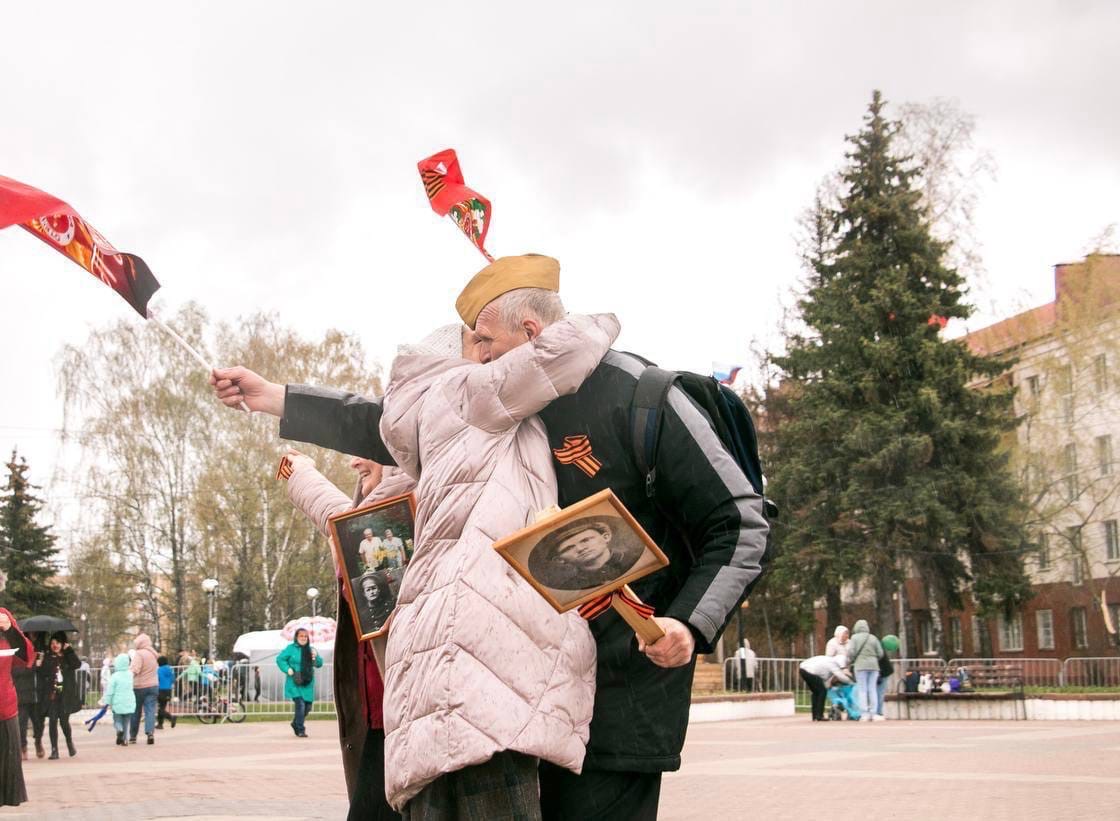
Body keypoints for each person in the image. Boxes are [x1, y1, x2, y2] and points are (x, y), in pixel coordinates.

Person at [208, 254, 770, 820]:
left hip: (620, 697)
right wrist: (277, 396)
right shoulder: (492, 403)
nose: (473, 357)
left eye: (484, 341)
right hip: (508, 699)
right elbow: (386, 421)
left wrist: (689, 623)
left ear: (530, 333)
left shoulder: (643, 398)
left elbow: (740, 521)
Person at [376, 315, 611, 816]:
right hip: (482, 663)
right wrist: (562, 316)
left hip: (435, 654)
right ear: (452, 357)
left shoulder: (428, 419)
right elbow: (571, 349)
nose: (486, 350)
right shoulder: (466, 391)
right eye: (475, 340)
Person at [285, 450, 414, 821]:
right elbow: (331, 513)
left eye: (365, 453)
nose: (353, 462)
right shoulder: (361, 528)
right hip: (377, 715)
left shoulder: (416, 517)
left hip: (406, 711)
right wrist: (296, 471)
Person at [529, 517, 643, 590]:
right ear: (559, 560)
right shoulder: (571, 587)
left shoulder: (636, 561)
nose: (580, 548)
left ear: (606, 537)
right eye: (569, 548)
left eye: (586, 540)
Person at [0, 609, 34, 806]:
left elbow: (26, 656)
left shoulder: (4, 618)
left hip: (4, 709)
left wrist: (10, 629)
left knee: (5, 771)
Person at [37, 631, 81, 759]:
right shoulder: (49, 657)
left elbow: (77, 664)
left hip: (64, 695)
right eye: (52, 643)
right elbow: (43, 673)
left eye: (57, 643)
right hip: (52, 695)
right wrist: (39, 664)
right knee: (52, 722)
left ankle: (69, 742)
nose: (54, 645)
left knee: (64, 722)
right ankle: (54, 750)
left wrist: (69, 650)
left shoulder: (67, 656)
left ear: (62, 644)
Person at [276, 628, 322, 738]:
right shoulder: (290, 649)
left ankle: (295, 723)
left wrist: (315, 657)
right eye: (301, 636)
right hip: (295, 681)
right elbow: (280, 659)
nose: (303, 638)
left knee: (307, 707)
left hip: (307, 683)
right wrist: (287, 669)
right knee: (300, 705)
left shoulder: (311, 649)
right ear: (296, 637)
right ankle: (301, 729)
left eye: (305, 636)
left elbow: (319, 664)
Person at [12, 636, 44, 760]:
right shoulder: (16, 658)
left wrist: (39, 663)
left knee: (38, 723)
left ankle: (38, 742)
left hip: (36, 696)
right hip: (22, 696)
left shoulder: (35, 656)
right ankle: (23, 747)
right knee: (22, 724)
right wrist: (33, 666)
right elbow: (17, 672)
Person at [847, 619, 885, 722]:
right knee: (872, 689)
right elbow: (880, 653)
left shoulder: (854, 638)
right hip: (874, 666)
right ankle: (874, 712)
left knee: (862, 689)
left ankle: (864, 713)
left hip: (860, 666)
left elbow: (851, 652)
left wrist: (851, 659)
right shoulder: (873, 638)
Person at [798, 653, 852, 722]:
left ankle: (815, 716)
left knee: (816, 692)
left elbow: (824, 678)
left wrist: (828, 685)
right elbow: (840, 676)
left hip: (803, 669)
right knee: (822, 692)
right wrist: (851, 682)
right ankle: (819, 716)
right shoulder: (833, 664)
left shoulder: (829, 661)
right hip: (809, 671)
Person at [129, 633, 159, 744]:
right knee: (150, 710)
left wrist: (127, 677)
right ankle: (150, 733)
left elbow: (135, 669)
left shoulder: (139, 654)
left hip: (139, 687)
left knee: (136, 711)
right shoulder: (153, 654)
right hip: (153, 686)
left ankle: (133, 736)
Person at [102, 652, 136, 746]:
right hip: (129, 702)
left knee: (117, 720)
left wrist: (107, 702)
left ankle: (119, 730)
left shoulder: (115, 676)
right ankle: (125, 740)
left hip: (117, 703)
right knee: (126, 722)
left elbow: (110, 691)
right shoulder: (130, 675)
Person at [156, 656, 177, 729]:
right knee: (162, 707)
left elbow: (157, 679)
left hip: (161, 689)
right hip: (168, 689)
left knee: (160, 708)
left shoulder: (159, 670)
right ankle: (160, 724)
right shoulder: (170, 669)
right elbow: (173, 680)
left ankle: (171, 717)